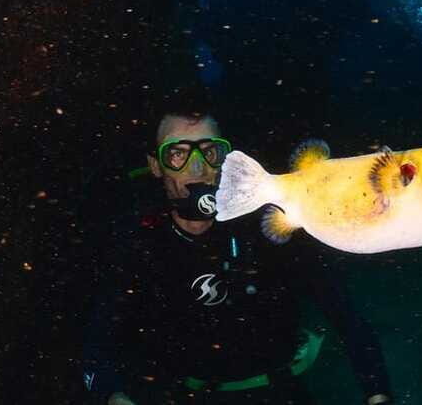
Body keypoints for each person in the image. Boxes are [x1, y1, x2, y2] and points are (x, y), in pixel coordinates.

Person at [82, 88, 393, 405]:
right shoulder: (139, 243)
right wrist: (113, 396)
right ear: (155, 165)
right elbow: (97, 344)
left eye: (211, 151)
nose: (197, 168)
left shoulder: (269, 227)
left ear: (227, 158)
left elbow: (348, 318)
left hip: (281, 393)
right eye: (177, 154)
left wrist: (378, 394)